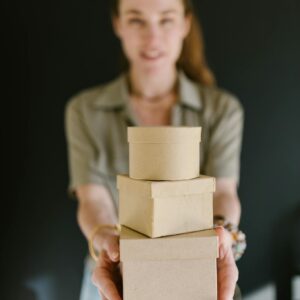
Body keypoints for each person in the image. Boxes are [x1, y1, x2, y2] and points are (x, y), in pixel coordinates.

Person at [65, 0, 246, 299]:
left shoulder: (222, 110)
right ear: (118, 24)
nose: (152, 38)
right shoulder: (85, 111)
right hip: (114, 269)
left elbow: (223, 192)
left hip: (194, 267)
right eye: (137, 20)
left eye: (166, 19)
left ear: (185, 24)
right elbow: (92, 198)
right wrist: (107, 241)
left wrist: (219, 236)